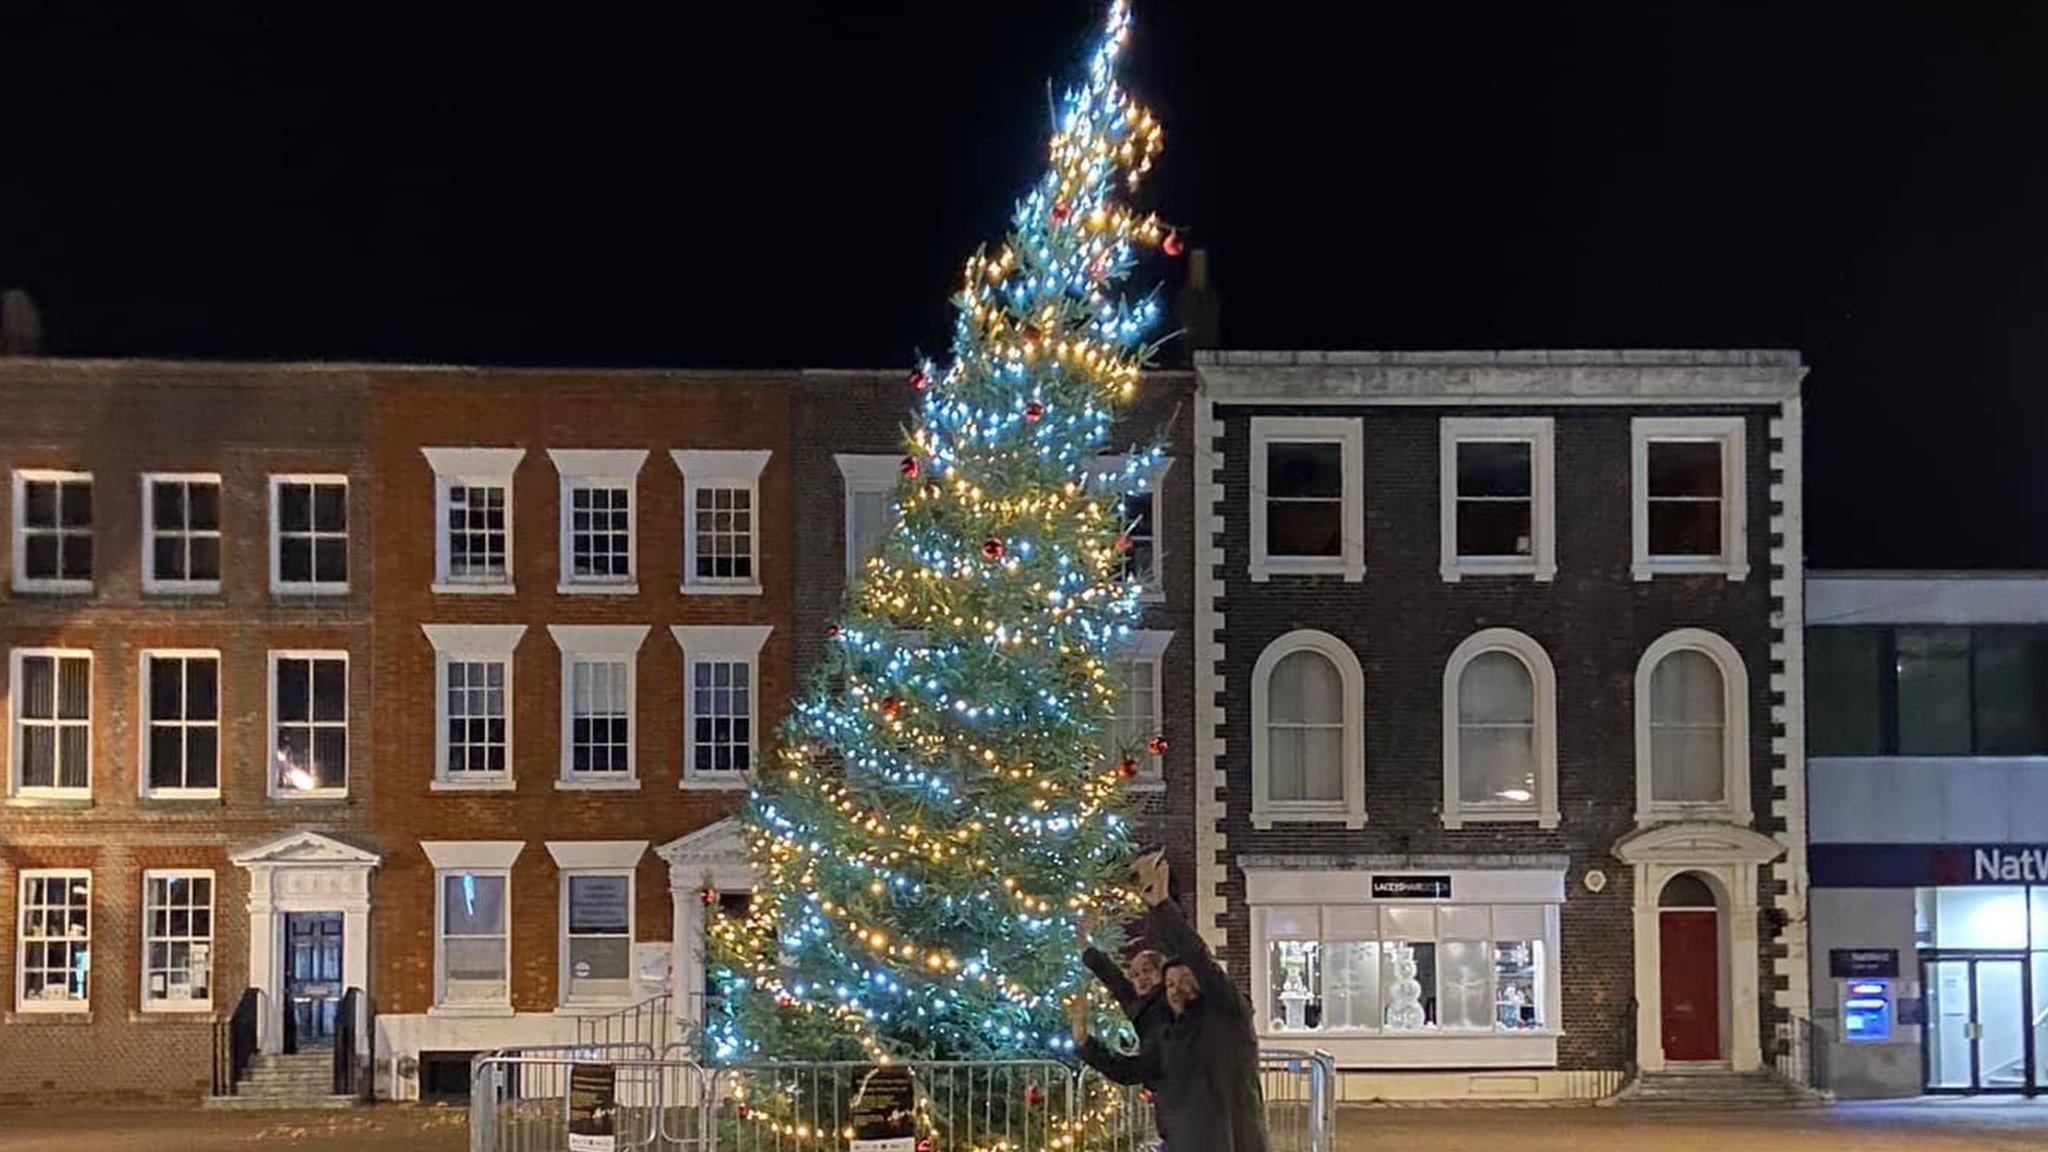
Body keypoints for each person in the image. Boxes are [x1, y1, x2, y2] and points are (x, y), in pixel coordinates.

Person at [1070, 853, 1268, 1152]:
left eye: (1182, 981)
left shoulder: (1227, 1013)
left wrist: (1161, 905)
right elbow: (1130, 1069)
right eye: (1172, 983)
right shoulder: (1164, 1033)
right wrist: (1084, 1041)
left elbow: (1198, 956)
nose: (1176, 988)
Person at [1073, 911, 1173, 1138]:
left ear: (1163, 972)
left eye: (1147, 970)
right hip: (1172, 1111)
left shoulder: (1165, 1008)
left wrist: (1086, 1045)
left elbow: (1135, 1069)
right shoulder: (1144, 1007)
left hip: (1186, 1109)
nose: (1140, 978)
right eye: (1135, 974)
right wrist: (1084, 942)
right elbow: (1115, 980)